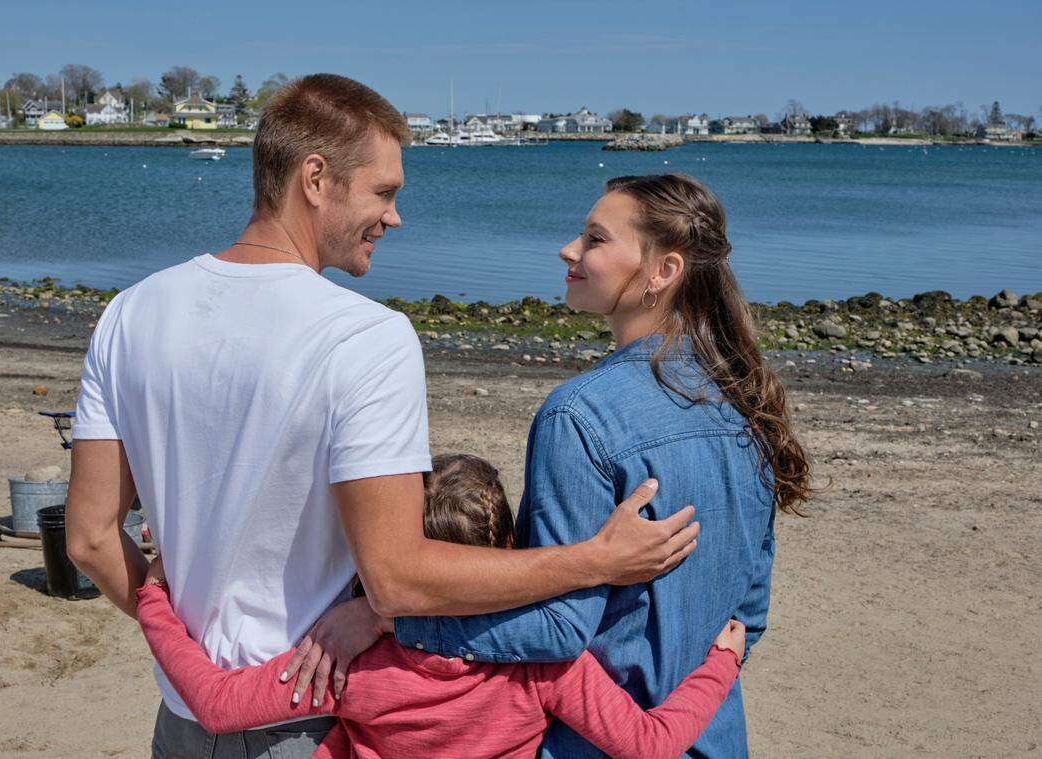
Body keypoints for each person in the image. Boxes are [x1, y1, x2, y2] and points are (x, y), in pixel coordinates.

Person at [65, 75, 698, 759]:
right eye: (384, 192)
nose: (394, 217)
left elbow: (92, 539)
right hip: (309, 718)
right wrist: (591, 561)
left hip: (184, 713)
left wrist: (178, 636)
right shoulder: (366, 337)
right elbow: (399, 578)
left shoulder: (129, 314)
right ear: (316, 178)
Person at [386, 174, 814, 758]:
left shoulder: (579, 417)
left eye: (594, 238)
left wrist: (394, 623)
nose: (569, 250)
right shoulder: (745, 401)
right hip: (713, 737)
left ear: (662, 271)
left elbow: (559, 629)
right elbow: (745, 622)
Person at [135, 454, 746, 758]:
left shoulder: (348, 662)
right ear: (507, 551)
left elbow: (217, 706)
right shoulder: (545, 664)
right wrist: (721, 663)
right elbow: (650, 744)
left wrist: (154, 598)